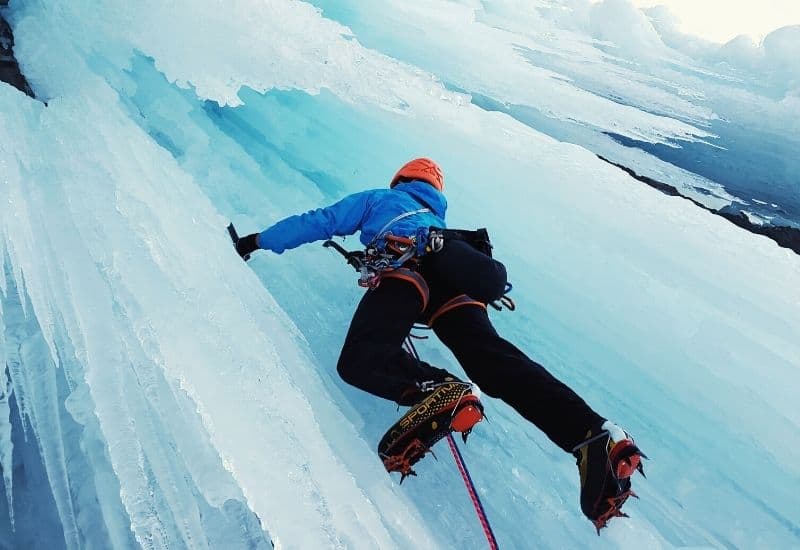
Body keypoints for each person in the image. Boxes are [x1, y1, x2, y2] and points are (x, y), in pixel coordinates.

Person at [234, 158, 645, 530]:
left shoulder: (381, 199)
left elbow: (320, 220)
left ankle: (440, 388)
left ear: (400, 181)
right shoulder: (440, 225)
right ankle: (593, 433)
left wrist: (255, 242)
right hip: (458, 285)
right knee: (494, 362)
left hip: (408, 271)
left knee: (362, 358)